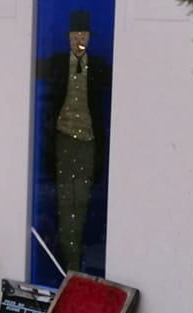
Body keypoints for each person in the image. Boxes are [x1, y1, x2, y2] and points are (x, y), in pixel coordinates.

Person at [37, 10, 111, 272]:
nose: (79, 38)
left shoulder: (99, 66)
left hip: (88, 142)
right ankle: (67, 259)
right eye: (75, 34)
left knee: (80, 201)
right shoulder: (57, 63)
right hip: (63, 140)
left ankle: (74, 260)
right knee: (63, 199)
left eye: (84, 34)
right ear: (68, 37)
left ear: (89, 37)